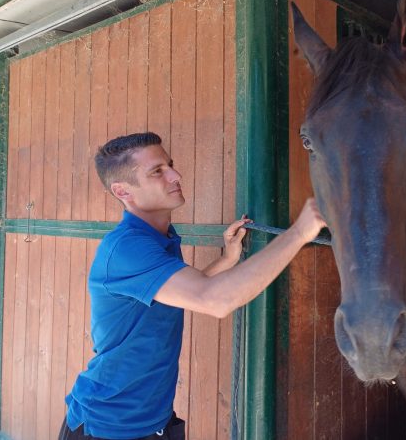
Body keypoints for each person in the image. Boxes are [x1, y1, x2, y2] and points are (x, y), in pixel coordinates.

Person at [59, 132, 326, 440]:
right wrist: (299, 233)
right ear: (123, 191)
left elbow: (183, 292)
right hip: (108, 426)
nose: (176, 175)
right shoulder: (127, 249)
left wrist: (227, 259)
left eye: (170, 165)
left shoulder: (158, 237)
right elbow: (214, 301)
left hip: (154, 419)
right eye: (157, 171)